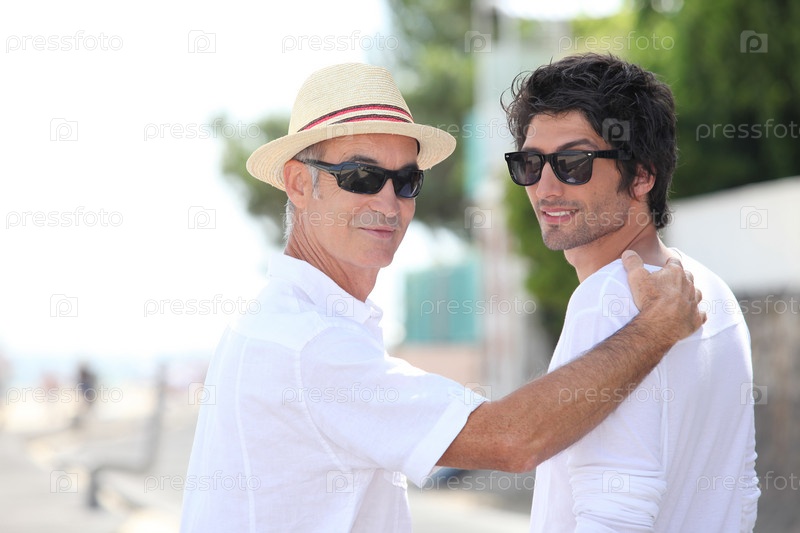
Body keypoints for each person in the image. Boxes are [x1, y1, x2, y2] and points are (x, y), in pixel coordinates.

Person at [180, 62, 704, 532]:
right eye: (361, 176)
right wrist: (653, 330)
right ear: (298, 184)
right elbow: (510, 440)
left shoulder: (289, 324)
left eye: (406, 181)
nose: (390, 203)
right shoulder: (306, 344)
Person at [503, 53, 760, 532]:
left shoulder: (608, 301)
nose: (545, 187)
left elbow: (613, 518)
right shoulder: (713, 290)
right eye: (531, 163)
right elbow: (740, 497)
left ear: (642, 175)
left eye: (573, 163)